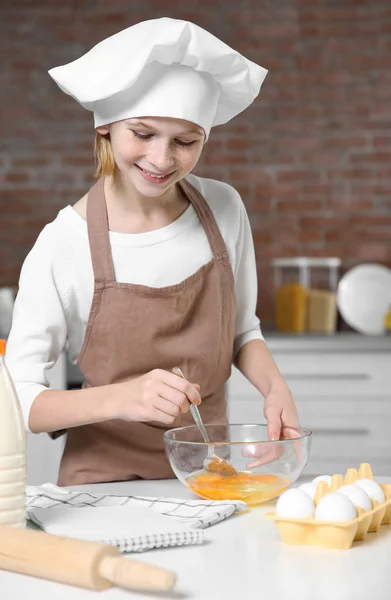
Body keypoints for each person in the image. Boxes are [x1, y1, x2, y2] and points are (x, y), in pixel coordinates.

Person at [6, 17, 299, 486]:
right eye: (142, 134)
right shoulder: (62, 244)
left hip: (208, 477)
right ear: (105, 127)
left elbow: (242, 330)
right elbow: (18, 401)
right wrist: (124, 398)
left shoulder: (224, 208)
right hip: (101, 490)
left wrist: (274, 387)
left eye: (185, 142)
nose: (162, 160)